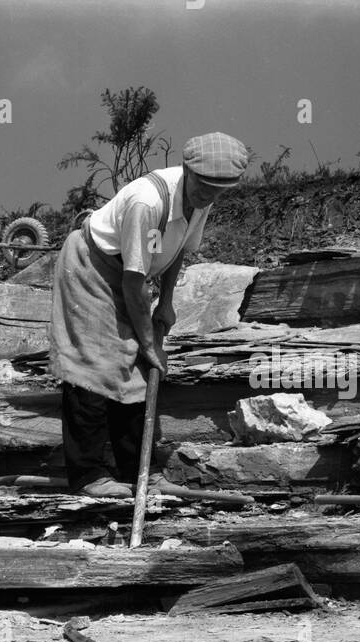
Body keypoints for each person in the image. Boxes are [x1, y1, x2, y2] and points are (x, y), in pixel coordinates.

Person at [49, 132, 249, 496]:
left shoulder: (200, 200)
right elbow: (133, 282)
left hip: (129, 272)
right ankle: (88, 476)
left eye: (219, 189)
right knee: (94, 364)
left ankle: (138, 473)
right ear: (187, 170)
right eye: (204, 185)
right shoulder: (148, 201)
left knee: (138, 369)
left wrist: (168, 302)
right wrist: (148, 341)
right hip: (91, 266)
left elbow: (176, 251)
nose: (209, 195)